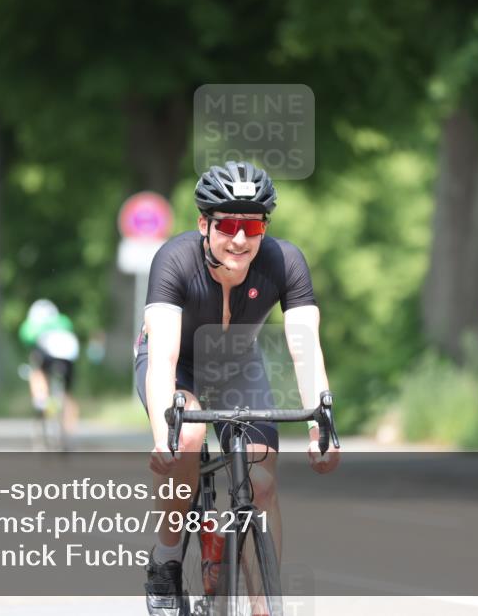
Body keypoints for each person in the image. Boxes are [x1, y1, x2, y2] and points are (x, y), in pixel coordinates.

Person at [136, 160, 340, 615]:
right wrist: (160, 437)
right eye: (228, 224)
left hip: (237, 367)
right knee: (186, 437)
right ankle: (166, 561)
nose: (241, 239)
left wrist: (320, 429)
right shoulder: (174, 258)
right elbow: (164, 358)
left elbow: (305, 349)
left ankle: (263, 604)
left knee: (262, 478)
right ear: (203, 224)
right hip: (178, 365)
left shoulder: (285, 262)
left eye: (252, 225)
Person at [18, 299, 80, 434]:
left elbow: (26, 338)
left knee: (36, 369)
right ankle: (69, 429)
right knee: (68, 393)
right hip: (69, 357)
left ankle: (41, 399)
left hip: (48, 354)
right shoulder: (63, 320)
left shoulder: (33, 324)